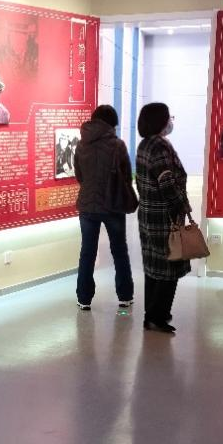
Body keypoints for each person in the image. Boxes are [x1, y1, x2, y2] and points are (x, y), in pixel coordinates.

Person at [135, 103, 191, 333]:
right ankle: (158, 316)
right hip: (164, 218)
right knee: (169, 267)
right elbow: (167, 183)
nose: (171, 122)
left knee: (153, 267)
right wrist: (182, 206)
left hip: (148, 214)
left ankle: (152, 314)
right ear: (160, 121)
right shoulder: (159, 147)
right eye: (169, 117)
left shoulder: (144, 145)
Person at [73, 104, 135, 311]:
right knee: (119, 250)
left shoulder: (81, 145)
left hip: (87, 206)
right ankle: (125, 296)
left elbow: (79, 175)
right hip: (113, 205)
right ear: (111, 123)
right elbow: (126, 177)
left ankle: (84, 299)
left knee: (87, 252)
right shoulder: (117, 145)